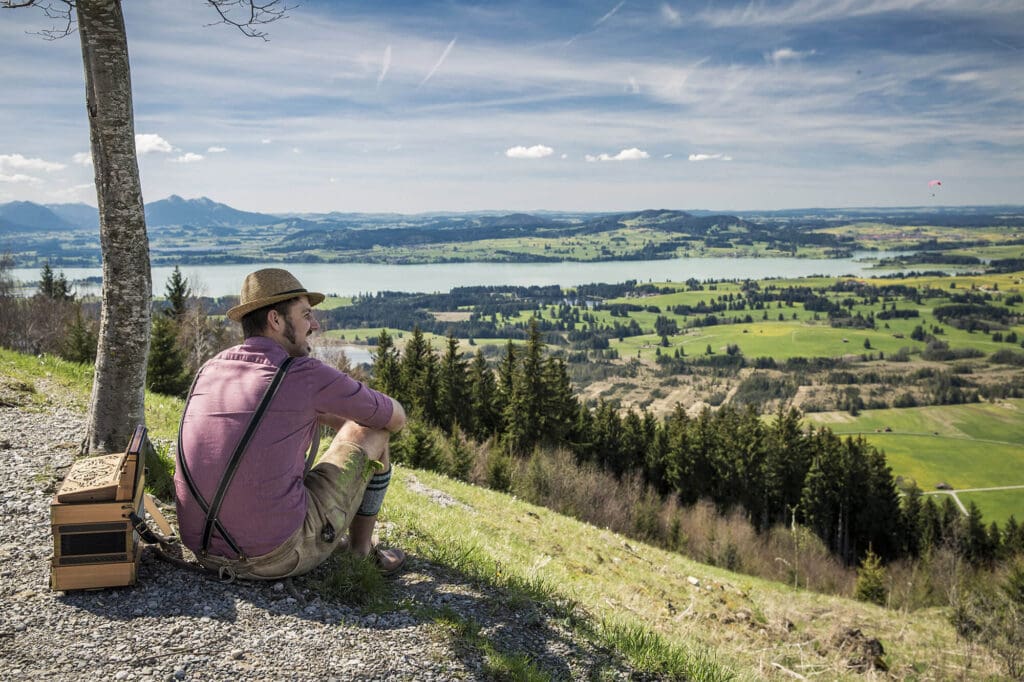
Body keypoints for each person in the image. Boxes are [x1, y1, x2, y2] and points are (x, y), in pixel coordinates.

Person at [174, 268, 407, 580]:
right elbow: (394, 418)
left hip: (201, 549)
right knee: (374, 430)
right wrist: (346, 416)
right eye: (306, 314)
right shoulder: (303, 374)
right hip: (271, 557)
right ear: (275, 320)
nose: (315, 325)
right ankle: (360, 551)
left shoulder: (210, 369)